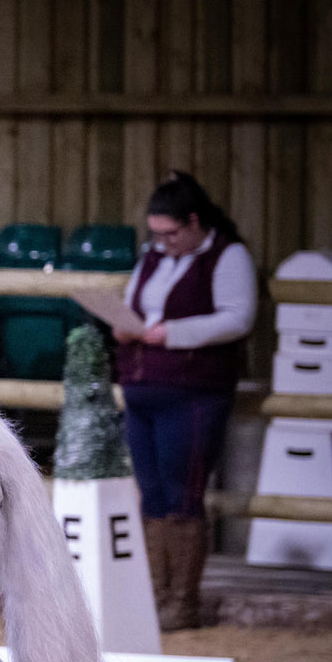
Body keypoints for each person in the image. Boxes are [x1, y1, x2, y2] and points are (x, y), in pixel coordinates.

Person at [113, 170, 257, 631]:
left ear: (194, 222)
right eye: (157, 234)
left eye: (171, 233)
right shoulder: (154, 256)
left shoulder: (227, 255)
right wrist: (125, 324)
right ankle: (156, 595)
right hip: (143, 387)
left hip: (193, 391)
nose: (164, 242)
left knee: (182, 494)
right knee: (151, 495)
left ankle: (183, 600)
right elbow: (141, 306)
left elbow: (237, 318)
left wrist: (169, 333)